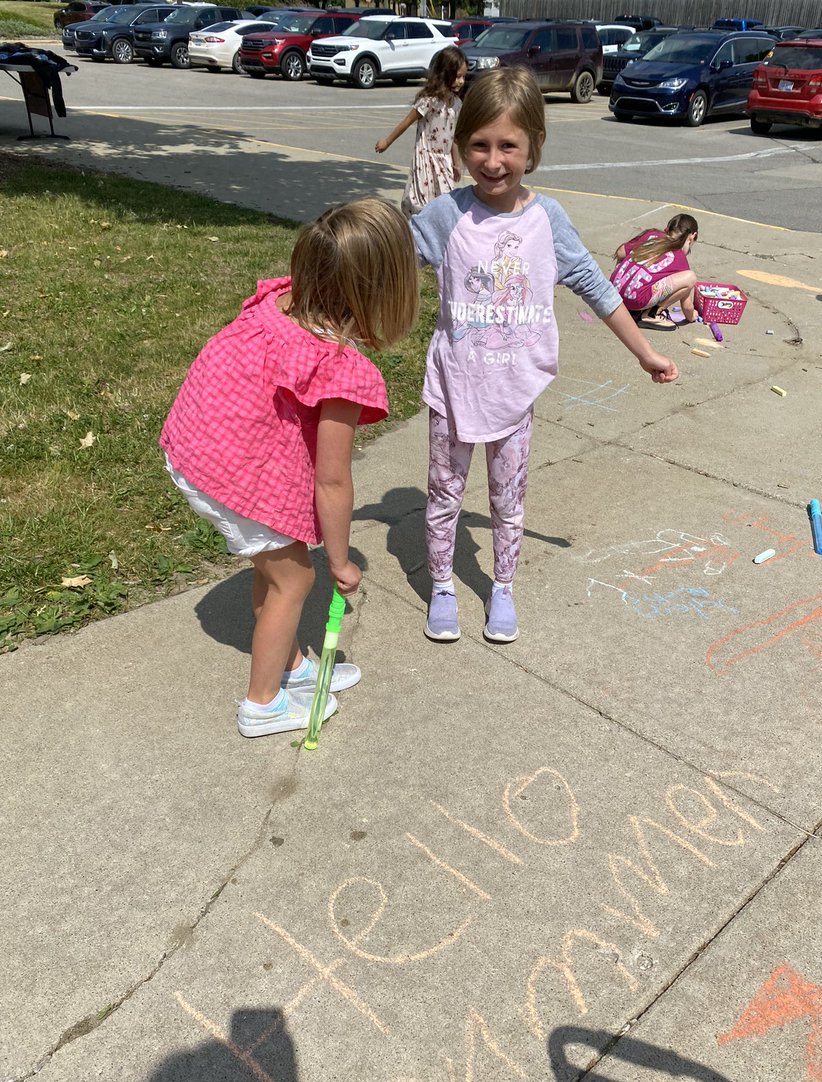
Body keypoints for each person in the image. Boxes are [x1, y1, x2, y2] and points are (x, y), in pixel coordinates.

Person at [410, 66, 678, 645]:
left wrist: (646, 352)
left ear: (534, 147)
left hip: (514, 392)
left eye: (508, 145)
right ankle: (442, 585)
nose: (493, 160)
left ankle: (502, 585)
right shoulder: (446, 216)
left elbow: (596, 287)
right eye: (478, 145)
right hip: (454, 387)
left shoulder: (545, 220)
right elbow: (384, 260)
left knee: (508, 501)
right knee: (443, 496)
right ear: (459, 147)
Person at [159, 200, 419, 738]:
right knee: (296, 576)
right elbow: (332, 478)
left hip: (194, 445)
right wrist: (341, 561)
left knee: (274, 560)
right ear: (387, 290)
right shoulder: (339, 366)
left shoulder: (278, 304)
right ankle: (263, 703)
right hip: (226, 470)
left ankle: (293, 667)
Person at [375, 45, 467, 217]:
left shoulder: (457, 105)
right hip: (425, 158)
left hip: (444, 162)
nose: (461, 81)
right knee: (422, 202)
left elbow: (454, 137)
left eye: (463, 77)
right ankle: (417, 232)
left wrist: (456, 163)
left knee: (446, 200)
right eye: (457, 76)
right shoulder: (429, 101)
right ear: (445, 74)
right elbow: (406, 122)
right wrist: (387, 142)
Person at [611, 213, 700, 330]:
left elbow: (621, 252)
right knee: (690, 277)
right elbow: (686, 306)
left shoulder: (651, 234)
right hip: (635, 300)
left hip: (613, 293)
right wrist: (692, 315)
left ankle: (624, 291)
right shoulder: (680, 258)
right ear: (692, 237)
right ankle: (652, 314)